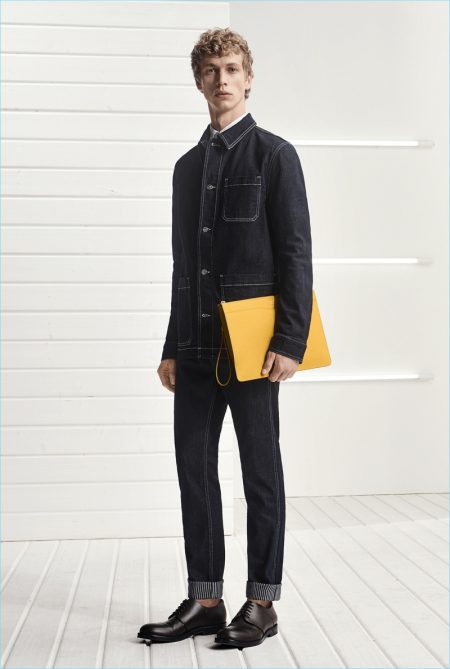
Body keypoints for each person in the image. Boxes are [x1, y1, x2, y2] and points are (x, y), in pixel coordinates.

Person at [137, 27, 313, 650]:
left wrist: (290, 339)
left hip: (255, 348)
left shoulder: (274, 156)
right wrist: (169, 345)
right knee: (194, 472)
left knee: (260, 474)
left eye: (232, 68)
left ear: (249, 77)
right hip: (194, 346)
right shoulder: (186, 170)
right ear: (198, 81)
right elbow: (184, 267)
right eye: (211, 71)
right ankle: (206, 599)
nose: (222, 80)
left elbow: (295, 253)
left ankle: (262, 602)